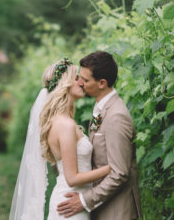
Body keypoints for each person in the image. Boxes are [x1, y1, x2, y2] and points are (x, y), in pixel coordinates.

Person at [9, 58, 110, 220]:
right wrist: (110, 169)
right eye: (76, 78)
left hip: (73, 201)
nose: (82, 83)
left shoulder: (59, 121)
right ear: (65, 83)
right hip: (71, 205)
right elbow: (72, 178)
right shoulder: (65, 125)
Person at [57, 51, 142, 220]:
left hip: (117, 212)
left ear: (102, 83)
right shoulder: (101, 109)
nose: (80, 83)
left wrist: (84, 200)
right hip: (102, 206)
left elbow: (119, 173)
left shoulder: (116, 116)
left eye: (86, 80)